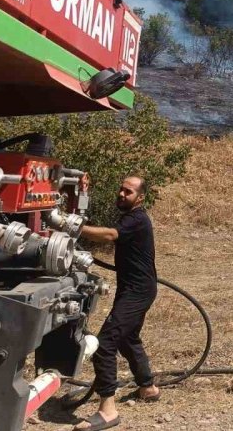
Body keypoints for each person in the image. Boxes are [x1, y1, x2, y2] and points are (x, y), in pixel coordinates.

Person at [73, 177, 160, 431]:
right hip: (136, 289)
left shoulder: (137, 219)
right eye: (120, 188)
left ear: (140, 198)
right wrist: (83, 194)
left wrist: (72, 227)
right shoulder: (130, 216)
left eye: (128, 191)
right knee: (127, 337)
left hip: (138, 291)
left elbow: (110, 235)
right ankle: (148, 387)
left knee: (106, 343)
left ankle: (108, 411)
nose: (121, 193)